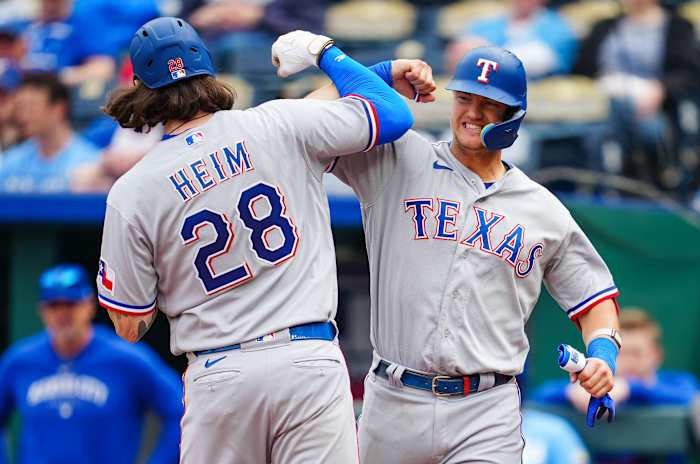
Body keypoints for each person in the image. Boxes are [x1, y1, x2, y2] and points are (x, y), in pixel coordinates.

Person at [96, 17, 414, 463]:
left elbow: (129, 325)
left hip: (218, 372)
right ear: (208, 70)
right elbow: (393, 113)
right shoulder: (274, 123)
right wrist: (331, 54)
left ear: (141, 88)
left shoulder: (132, 190)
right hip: (307, 360)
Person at [307, 46, 621, 462]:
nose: (471, 113)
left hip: (485, 410)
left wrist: (602, 355)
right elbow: (303, 124)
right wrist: (379, 73)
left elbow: (596, 300)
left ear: (514, 116)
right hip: (393, 401)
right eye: (464, 99)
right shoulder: (399, 159)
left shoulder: (543, 209)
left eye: (489, 105)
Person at [0, 263, 183, 464]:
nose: (62, 314)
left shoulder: (126, 359)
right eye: (53, 306)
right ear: (42, 310)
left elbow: (180, 410)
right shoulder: (20, 361)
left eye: (70, 304)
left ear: (89, 305)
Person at [572, 0, 700, 190]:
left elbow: (689, 73)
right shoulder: (605, 26)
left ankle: (642, 186)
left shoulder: (677, 26)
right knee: (601, 125)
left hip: (655, 106)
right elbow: (581, 70)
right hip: (605, 102)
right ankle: (604, 187)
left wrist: (661, 88)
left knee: (644, 128)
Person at [0, 71, 99, 192]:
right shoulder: (11, 161)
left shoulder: (89, 161)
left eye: (31, 107)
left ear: (59, 109)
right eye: (20, 107)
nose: (23, 116)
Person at [446, 0, 576, 79]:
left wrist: (483, 53)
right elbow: (458, 55)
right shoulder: (487, 24)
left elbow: (544, 61)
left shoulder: (557, 26)